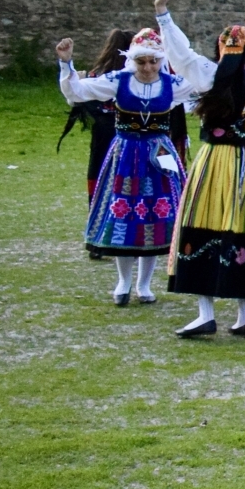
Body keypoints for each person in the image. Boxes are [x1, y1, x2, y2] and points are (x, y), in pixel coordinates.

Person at [156, 0, 245, 338]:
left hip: (216, 161)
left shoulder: (210, 77)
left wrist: (163, 16)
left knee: (204, 226)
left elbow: (180, 56)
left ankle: (205, 313)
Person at [57, 18, 189, 306]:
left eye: (153, 62)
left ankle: (144, 285)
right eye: (141, 61)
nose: (147, 68)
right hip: (126, 155)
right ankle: (123, 282)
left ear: (160, 61)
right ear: (132, 61)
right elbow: (78, 93)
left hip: (160, 156)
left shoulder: (173, 85)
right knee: (124, 215)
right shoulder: (118, 81)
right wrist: (67, 65)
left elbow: (203, 86)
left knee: (157, 215)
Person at [57, 28, 133, 205]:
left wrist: (66, 64)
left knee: (103, 184)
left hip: (103, 142)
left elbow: (73, 98)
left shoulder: (96, 76)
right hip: (128, 139)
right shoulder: (128, 80)